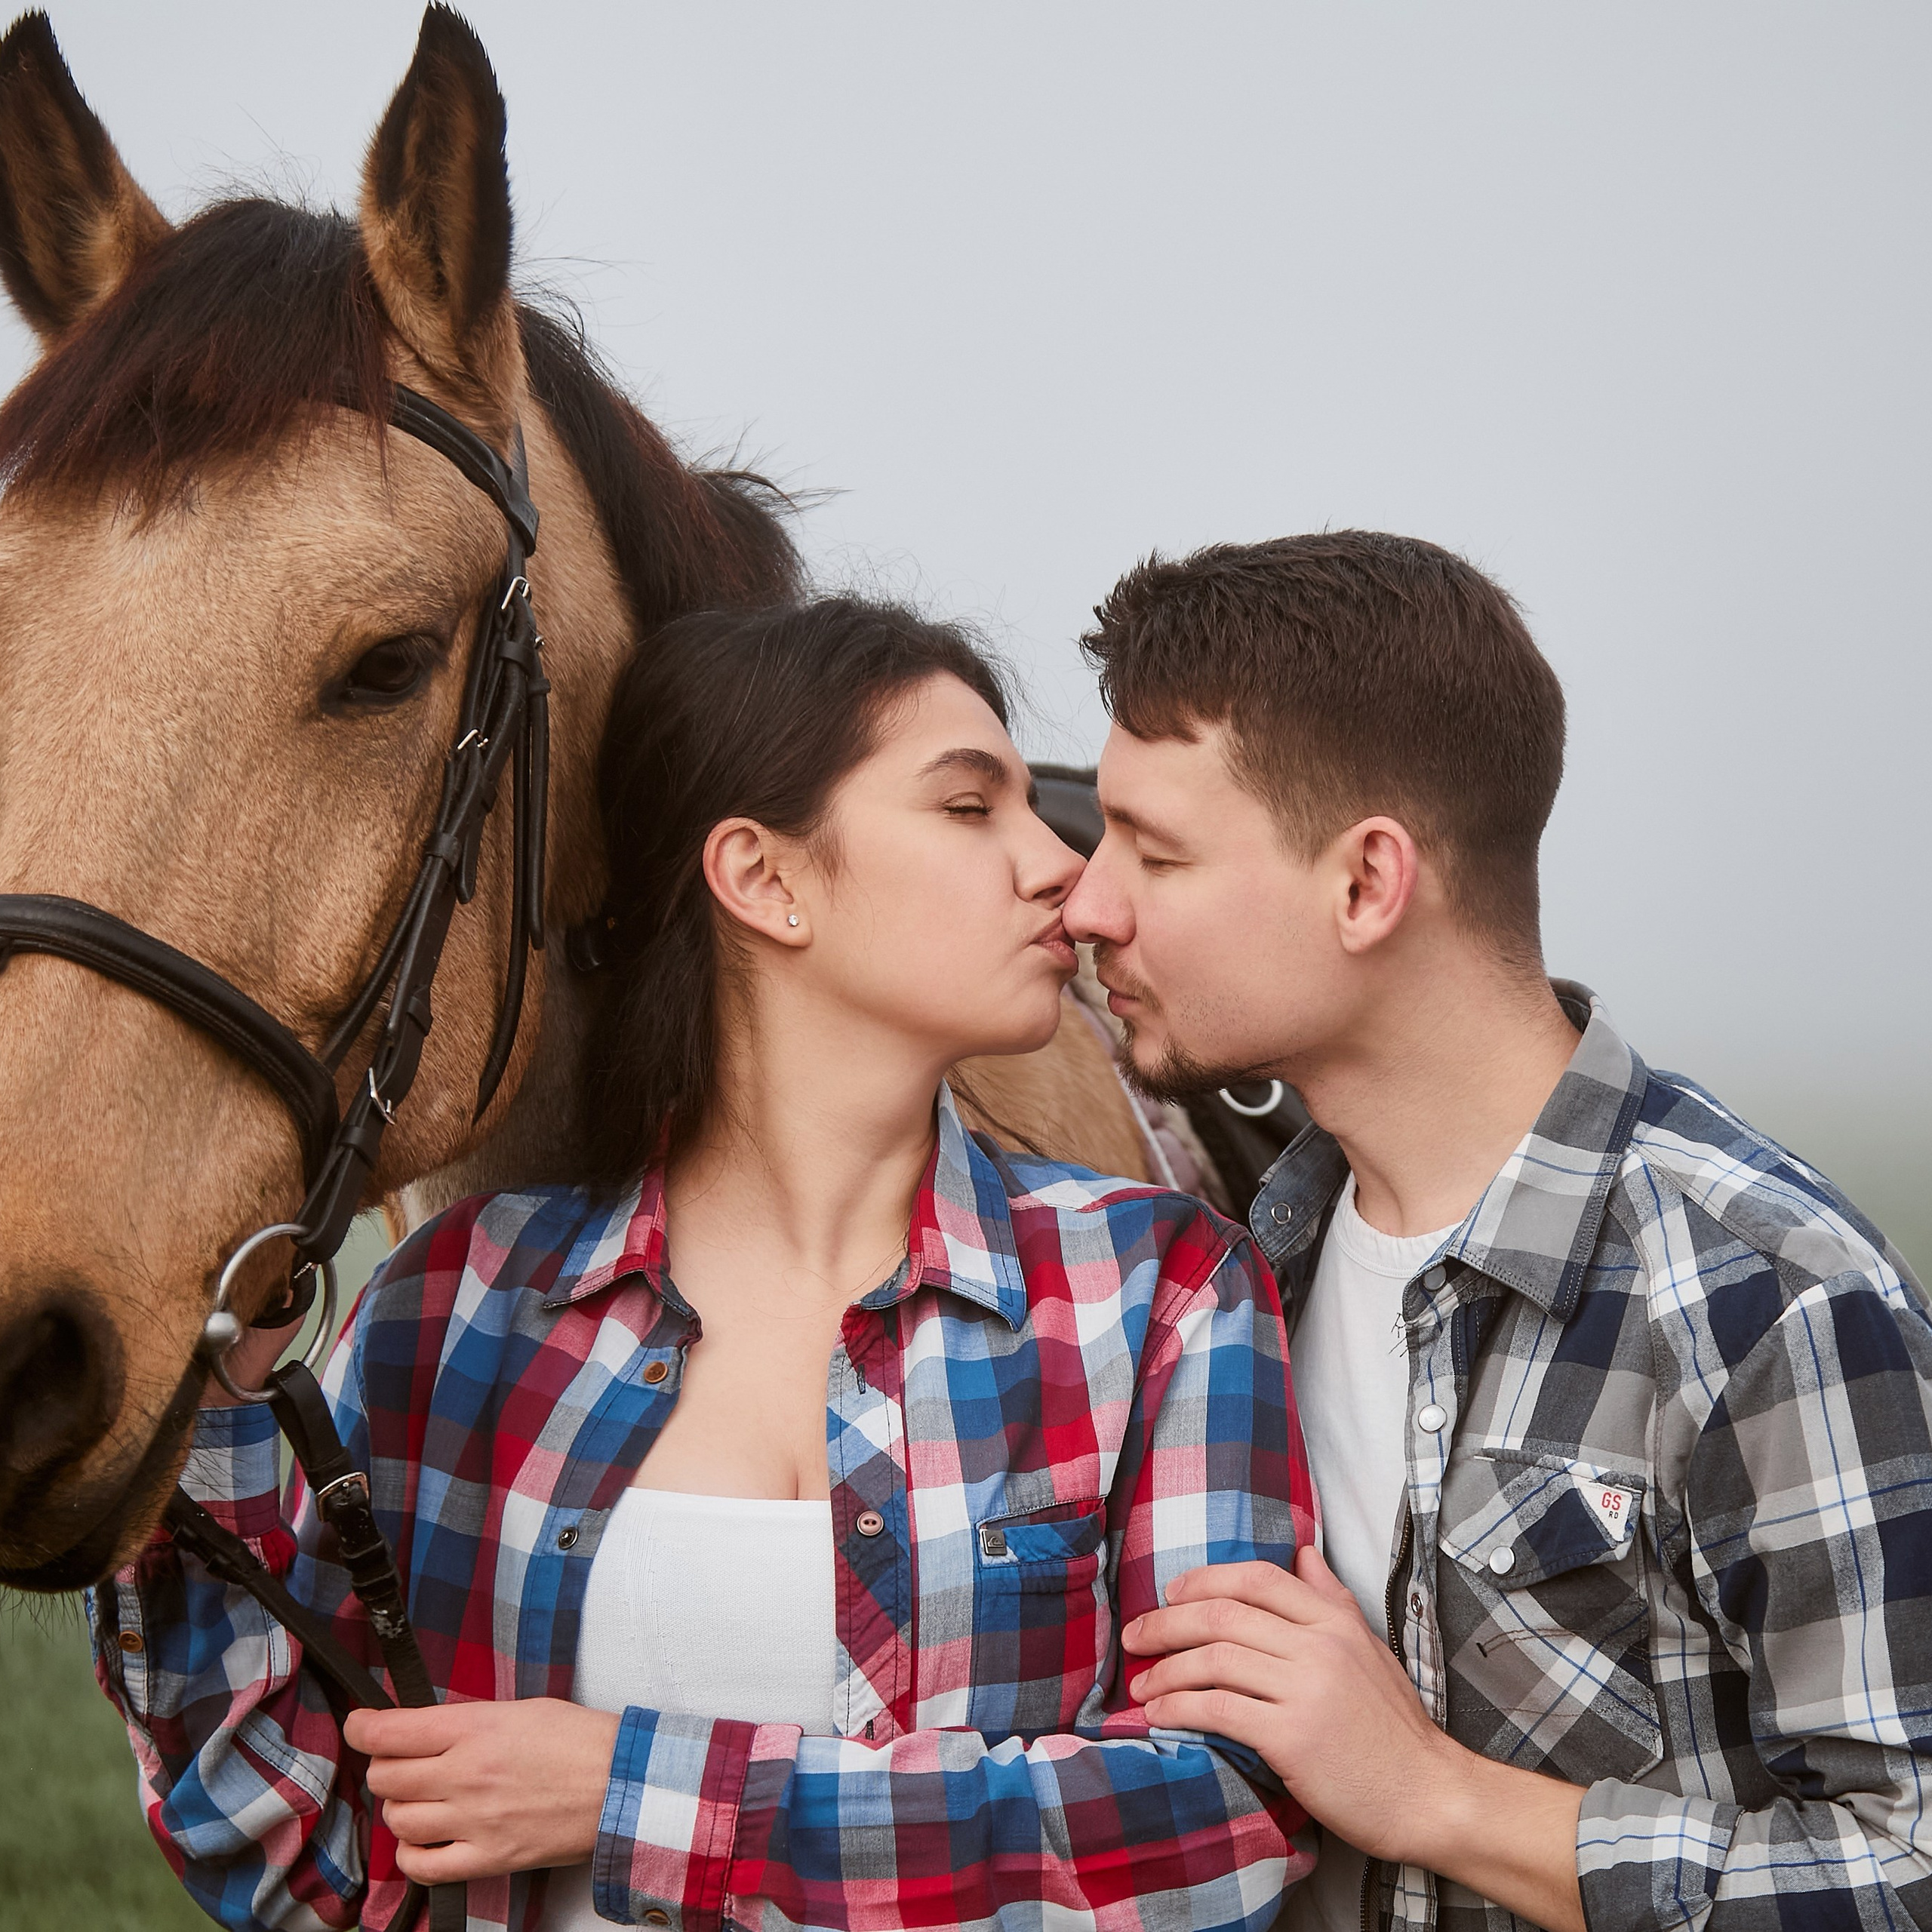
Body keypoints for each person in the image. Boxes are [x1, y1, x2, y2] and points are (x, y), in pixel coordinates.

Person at [90, 596, 1318, 1932]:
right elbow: (307, 1870)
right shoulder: (456, 1309)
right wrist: (201, 1418)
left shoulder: (1159, 1292)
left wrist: (634, 1795)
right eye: (972, 809)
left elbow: (1224, 1826)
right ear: (762, 879)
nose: (1065, 872)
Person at [1061, 532, 1932, 1932]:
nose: (1089, 903)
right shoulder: (1230, 1272)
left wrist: (1432, 1797)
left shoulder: (1767, 1294)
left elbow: (1909, 1867)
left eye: (1153, 853)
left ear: (1367, 883)